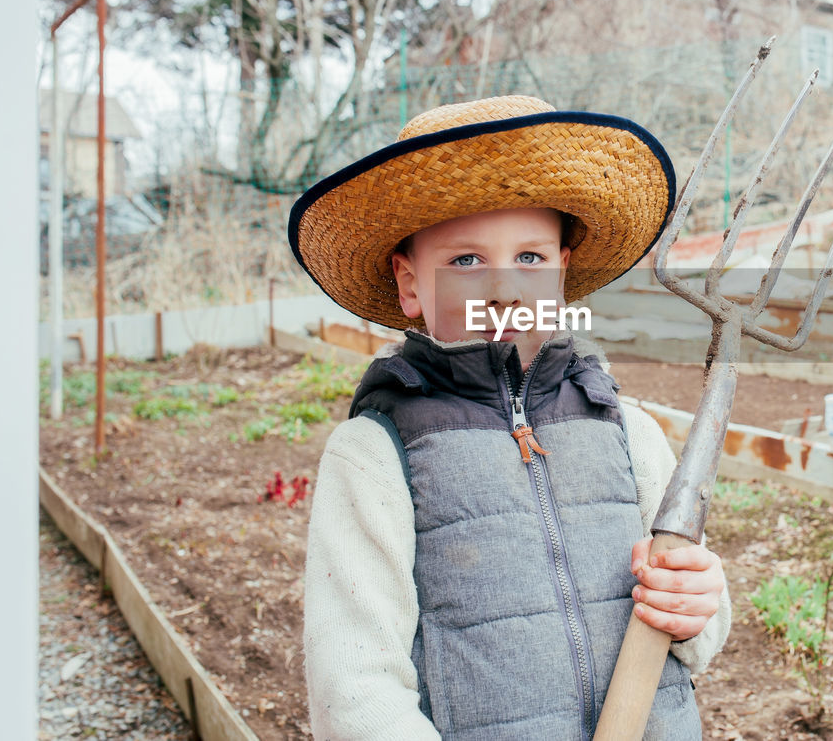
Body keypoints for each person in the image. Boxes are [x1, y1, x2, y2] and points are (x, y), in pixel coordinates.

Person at [289, 95, 731, 740]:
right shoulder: (376, 455)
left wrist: (697, 606)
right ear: (410, 284)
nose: (504, 287)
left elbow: (696, 632)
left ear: (562, 272)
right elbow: (354, 687)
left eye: (530, 257)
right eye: (465, 260)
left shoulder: (627, 430)